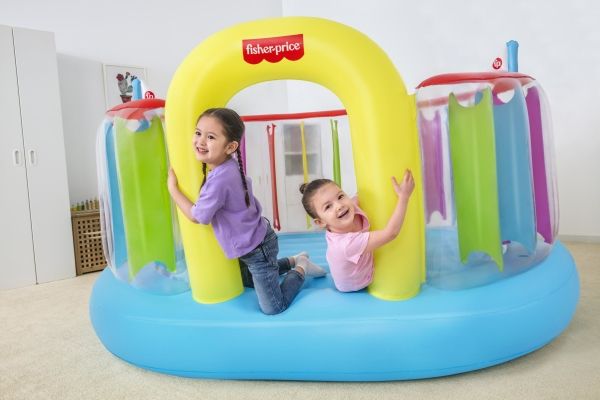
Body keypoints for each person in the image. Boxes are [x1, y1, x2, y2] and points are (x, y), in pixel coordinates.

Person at [168, 107, 326, 315]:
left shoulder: (221, 179)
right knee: (245, 279)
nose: (200, 141)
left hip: (257, 249)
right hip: (250, 243)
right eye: (198, 133)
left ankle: (301, 268)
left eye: (211, 137)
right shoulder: (226, 166)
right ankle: (292, 260)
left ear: (231, 146)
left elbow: (198, 216)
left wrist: (173, 189)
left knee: (273, 307)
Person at [299, 171, 415, 292]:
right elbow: (391, 233)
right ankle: (301, 267)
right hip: (354, 285)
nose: (339, 205)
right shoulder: (347, 245)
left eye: (340, 196)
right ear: (320, 222)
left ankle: (305, 264)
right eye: (328, 206)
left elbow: (359, 195)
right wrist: (404, 197)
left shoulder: (349, 207)